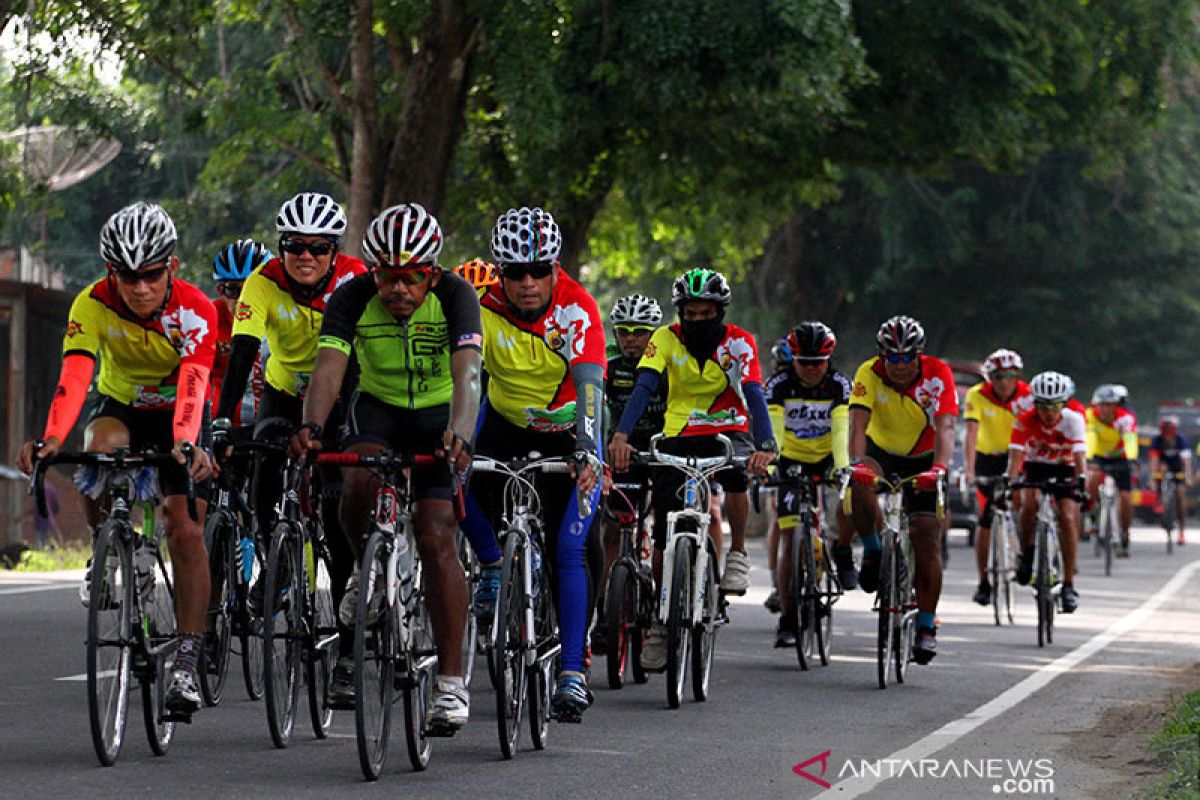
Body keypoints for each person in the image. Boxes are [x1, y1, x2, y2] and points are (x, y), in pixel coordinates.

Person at [18, 202, 217, 717]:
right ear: (111, 273)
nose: (142, 287)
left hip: (181, 411)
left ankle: (188, 659)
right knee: (98, 450)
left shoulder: (196, 310)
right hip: (121, 404)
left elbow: (195, 386)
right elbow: (75, 376)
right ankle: (108, 550)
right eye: (129, 277)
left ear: (170, 268)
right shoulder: (92, 303)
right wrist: (51, 439)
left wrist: (186, 442)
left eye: (152, 275)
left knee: (185, 527)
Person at [293, 203, 482, 733]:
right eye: (387, 277)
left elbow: (468, 372)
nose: (399, 289)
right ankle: (366, 568)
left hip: (441, 413)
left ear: (432, 273)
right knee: (355, 476)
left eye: (411, 278)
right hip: (378, 408)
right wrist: (310, 427)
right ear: (372, 272)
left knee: (436, 532)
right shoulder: (351, 298)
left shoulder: (456, 297)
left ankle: (449, 684)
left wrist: (462, 431)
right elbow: (329, 369)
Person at [213, 191, 367, 706]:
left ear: (333, 251)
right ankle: (275, 567)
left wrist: (334, 426)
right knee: (261, 469)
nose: (305, 257)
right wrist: (221, 419)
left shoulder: (354, 279)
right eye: (294, 246)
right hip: (282, 390)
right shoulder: (262, 281)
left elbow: (362, 356)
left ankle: (348, 655)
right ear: (280, 247)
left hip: (345, 391)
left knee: (339, 509)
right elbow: (243, 352)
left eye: (317, 248)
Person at [460, 206, 604, 722]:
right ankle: (495, 567)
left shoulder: (578, 310)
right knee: (448, 482)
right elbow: (461, 378)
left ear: (555, 266)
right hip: (500, 424)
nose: (526, 283)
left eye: (538, 270)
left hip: (569, 433)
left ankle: (570, 673)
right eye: (514, 272)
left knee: (567, 546)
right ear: (498, 271)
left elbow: (590, 389)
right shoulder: (478, 305)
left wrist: (589, 450)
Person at [609, 267, 776, 670]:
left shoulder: (740, 342)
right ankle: (662, 624)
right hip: (678, 431)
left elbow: (753, 392)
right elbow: (645, 386)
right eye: (690, 314)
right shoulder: (664, 339)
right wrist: (622, 436)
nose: (698, 321)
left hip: (728, 427)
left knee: (737, 474)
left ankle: (735, 552)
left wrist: (766, 444)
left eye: (706, 314)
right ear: (680, 312)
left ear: (720, 312)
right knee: (666, 534)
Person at [847, 315, 956, 665]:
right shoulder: (869, 372)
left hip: (924, 458)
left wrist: (939, 469)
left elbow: (947, 424)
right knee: (859, 485)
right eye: (891, 357)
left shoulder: (938, 373)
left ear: (919, 355)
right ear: (882, 357)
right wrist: (857, 462)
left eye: (907, 357)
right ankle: (873, 549)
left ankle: (926, 626)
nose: (899, 365)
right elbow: (857, 423)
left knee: (926, 535)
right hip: (880, 452)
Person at [765, 321, 855, 648]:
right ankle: (788, 618)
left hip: (828, 458)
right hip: (790, 460)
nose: (812, 369)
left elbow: (842, 431)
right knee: (790, 538)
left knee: (850, 503)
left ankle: (840, 552)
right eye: (805, 362)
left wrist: (842, 467)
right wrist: (772, 464)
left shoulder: (839, 385)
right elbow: (773, 431)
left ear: (828, 360)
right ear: (794, 359)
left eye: (819, 363)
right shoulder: (778, 384)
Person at [595, 293, 666, 655]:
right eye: (624, 332)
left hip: (663, 450)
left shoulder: (667, 365)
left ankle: (662, 605)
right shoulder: (610, 367)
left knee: (664, 536)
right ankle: (606, 606)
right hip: (622, 453)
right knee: (614, 528)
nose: (631, 340)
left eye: (640, 332)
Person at [1007, 371, 1085, 613]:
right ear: (1035, 404)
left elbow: (1080, 457)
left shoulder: (1073, 420)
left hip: (1065, 467)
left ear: (1064, 404)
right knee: (1028, 505)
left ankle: (1069, 584)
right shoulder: (1024, 419)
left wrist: (1081, 481)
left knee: (1068, 516)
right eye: (1042, 406)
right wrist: (1012, 481)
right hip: (1036, 466)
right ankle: (1027, 555)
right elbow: (1015, 458)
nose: (1048, 413)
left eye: (1054, 406)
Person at [963, 348, 1032, 605]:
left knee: (1025, 503)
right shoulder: (977, 395)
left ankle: (1026, 554)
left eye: (1010, 375)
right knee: (985, 518)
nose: (1004, 381)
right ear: (990, 378)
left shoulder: (1027, 395)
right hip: (987, 458)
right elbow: (971, 433)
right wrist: (969, 470)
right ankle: (983, 582)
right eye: (999, 376)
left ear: (1018, 376)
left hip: (1019, 455)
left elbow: (1034, 429)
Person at [210, 239, 272, 426]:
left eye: (253, 289)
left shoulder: (286, 315)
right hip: (223, 423)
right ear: (220, 290)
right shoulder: (210, 317)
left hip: (272, 420)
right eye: (234, 290)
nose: (245, 299)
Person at [1085, 383, 1138, 557]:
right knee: (1092, 478)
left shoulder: (1125, 418)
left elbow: (1130, 438)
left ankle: (1124, 535)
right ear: (1096, 405)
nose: (1105, 410)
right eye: (1102, 405)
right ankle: (1091, 515)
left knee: (1125, 497)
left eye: (1110, 405)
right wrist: (1089, 457)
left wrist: (1131, 458)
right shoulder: (1090, 416)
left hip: (1121, 458)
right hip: (1098, 456)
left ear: (1116, 406)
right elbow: (1090, 436)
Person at [762, 336, 795, 614]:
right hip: (780, 457)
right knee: (778, 515)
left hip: (814, 454)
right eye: (780, 367)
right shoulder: (770, 389)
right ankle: (777, 581)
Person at [1149, 416, 1191, 546]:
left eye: (1170, 433)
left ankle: (1181, 531)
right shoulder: (1157, 441)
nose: (1168, 436)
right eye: (1165, 433)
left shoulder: (1181, 440)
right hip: (1163, 467)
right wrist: (1152, 477)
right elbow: (1154, 460)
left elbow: (1186, 461)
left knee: (1180, 494)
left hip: (1178, 468)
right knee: (1157, 478)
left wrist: (1187, 476)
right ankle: (1160, 502)